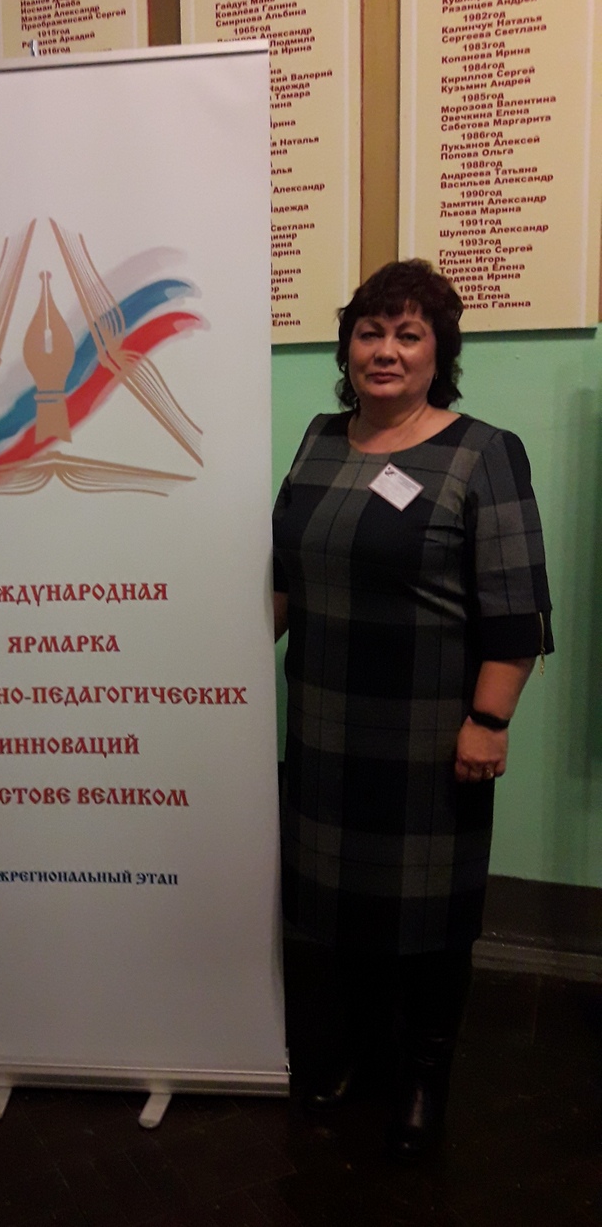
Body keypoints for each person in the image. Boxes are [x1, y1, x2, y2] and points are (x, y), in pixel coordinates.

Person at [272, 260, 552, 1159]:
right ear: (347, 348)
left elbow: (515, 609)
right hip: (324, 727)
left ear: (440, 353)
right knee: (333, 909)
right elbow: (286, 577)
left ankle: (425, 1077)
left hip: (429, 736)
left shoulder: (482, 451)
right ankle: (352, 1051)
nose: (385, 351)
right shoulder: (320, 439)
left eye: (408, 334)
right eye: (369, 332)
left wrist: (490, 722)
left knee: (428, 921)